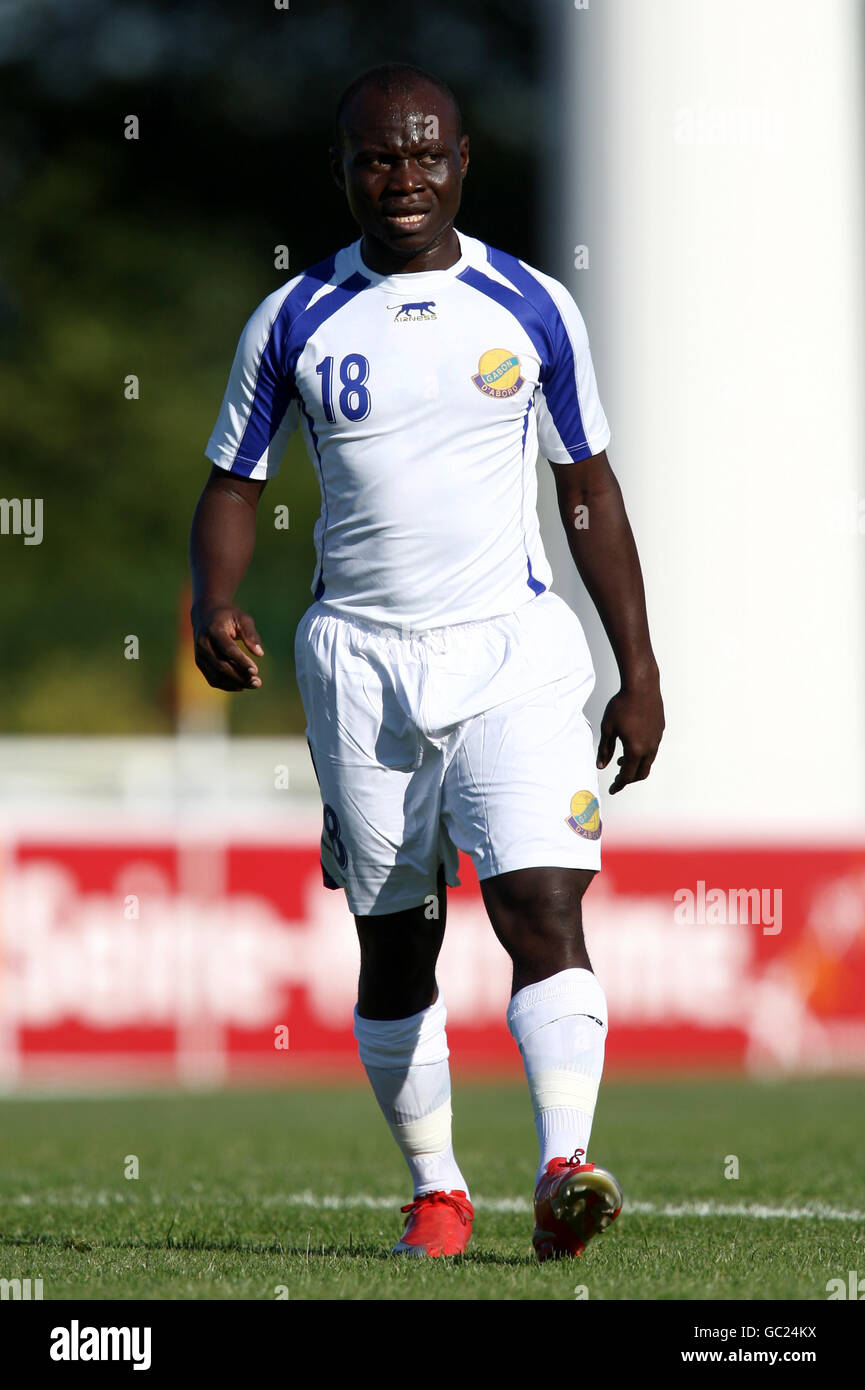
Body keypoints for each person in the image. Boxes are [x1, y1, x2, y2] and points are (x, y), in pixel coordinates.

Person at [189, 62, 664, 1262]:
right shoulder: (292, 315)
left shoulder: (533, 305)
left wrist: (638, 665)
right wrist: (214, 597)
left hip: (513, 649)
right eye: (376, 159)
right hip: (358, 660)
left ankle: (564, 1167)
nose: (402, 180)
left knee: (538, 897)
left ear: (462, 160)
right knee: (395, 936)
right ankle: (438, 1190)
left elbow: (588, 488)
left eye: (424, 154)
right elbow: (233, 482)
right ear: (342, 172)